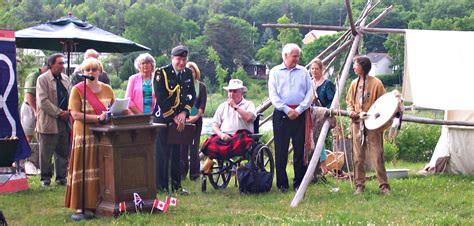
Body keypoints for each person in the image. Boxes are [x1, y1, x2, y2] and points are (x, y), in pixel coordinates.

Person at [65, 58, 116, 212]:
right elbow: (74, 114)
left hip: (103, 134)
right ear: (82, 72)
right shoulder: (77, 89)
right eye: (87, 70)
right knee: (85, 166)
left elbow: (113, 108)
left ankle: (101, 201)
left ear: (100, 71)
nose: (91, 72)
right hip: (84, 133)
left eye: (94, 69)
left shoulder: (107, 88)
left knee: (100, 166)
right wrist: (96, 118)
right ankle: (82, 204)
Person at [268, 43, 313, 193]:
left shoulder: (304, 72)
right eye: (294, 56)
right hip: (281, 114)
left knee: (300, 149)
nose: (297, 59)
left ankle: (299, 182)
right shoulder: (275, 72)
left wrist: (299, 109)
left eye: (298, 56)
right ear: (285, 56)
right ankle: (282, 184)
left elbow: (309, 94)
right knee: (281, 150)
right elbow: (273, 95)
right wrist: (287, 110)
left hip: (300, 114)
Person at [152, 45, 195, 195]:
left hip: (180, 119)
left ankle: (176, 186)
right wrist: (173, 116)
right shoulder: (161, 73)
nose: (181, 63)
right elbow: (161, 97)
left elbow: (191, 96)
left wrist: (184, 112)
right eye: (178, 59)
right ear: (172, 58)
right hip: (163, 118)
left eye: (184, 59)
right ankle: (162, 187)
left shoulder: (188, 73)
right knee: (163, 154)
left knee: (178, 153)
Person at [346, 56, 390, 195]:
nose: (354, 67)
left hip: (373, 125)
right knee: (358, 156)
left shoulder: (377, 83)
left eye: (356, 64)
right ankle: (359, 184)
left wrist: (372, 115)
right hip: (357, 123)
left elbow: (383, 104)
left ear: (363, 66)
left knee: (377, 155)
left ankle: (384, 185)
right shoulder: (354, 83)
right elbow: (349, 102)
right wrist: (351, 111)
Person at [200, 79, 256, 173]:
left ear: (241, 92)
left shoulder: (248, 104)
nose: (231, 94)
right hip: (225, 136)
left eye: (235, 91)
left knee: (239, 141)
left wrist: (235, 107)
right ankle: (210, 164)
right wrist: (221, 135)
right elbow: (215, 125)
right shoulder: (222, 106)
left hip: (242, 136)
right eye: (230, 91)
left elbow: (249, 118)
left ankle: (236, 168)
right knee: (210, 142)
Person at [36, 53, 71, 187]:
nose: (63, 66)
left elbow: (72, 96)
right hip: (49, 120)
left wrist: (70, 111)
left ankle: (61, 177)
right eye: (60, 63)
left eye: (63, 63)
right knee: (46, 151)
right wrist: (58, 112)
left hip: (64, 120)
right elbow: (43, 101)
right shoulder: (42, 79)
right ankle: (45, 178)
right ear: (52, 64)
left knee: (62, 149)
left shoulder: (66, 79)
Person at [180, 62, 207, 181]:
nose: (191, 73)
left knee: (194, 147)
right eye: (188, 71)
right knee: (183, 147)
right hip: (183, 120)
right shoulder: (181, 85)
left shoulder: (201, 87)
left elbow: (202, 105)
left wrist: (195, 117)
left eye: (192, 71)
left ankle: (194, 174)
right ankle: (182, 173)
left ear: (196, 72)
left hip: (196, 120)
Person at [309, 59, 336, 174]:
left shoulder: (327, 84)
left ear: (322, 69)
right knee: (310, 139)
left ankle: (323, 167)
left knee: (319, 140)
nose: (314, 71)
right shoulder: (309, 83)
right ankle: (315, 167)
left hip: (323, 116)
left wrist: (323, 109)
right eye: (312, 69)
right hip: (310, 115)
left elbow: (332, 101)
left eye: (317, 69)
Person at [21, 66, 48, 143]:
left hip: (40, 107)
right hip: (30, 106)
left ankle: (39, 154)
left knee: (41, 134)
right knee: (27, 135)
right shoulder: (34, 75)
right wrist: (35, 110)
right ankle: (24, 154)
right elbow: (28, 94)